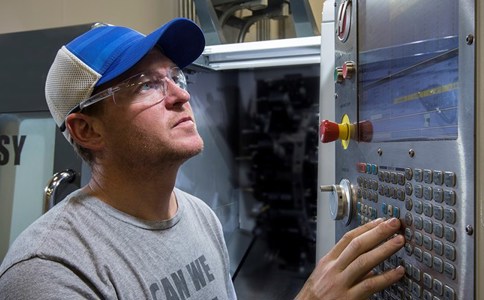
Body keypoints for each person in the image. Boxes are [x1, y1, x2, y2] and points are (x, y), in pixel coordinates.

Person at [0, 18, 405, 299]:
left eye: (175, 77)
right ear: (87, 129)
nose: (182, 95)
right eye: (146, 85)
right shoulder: (51, 270)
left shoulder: (199, 217)